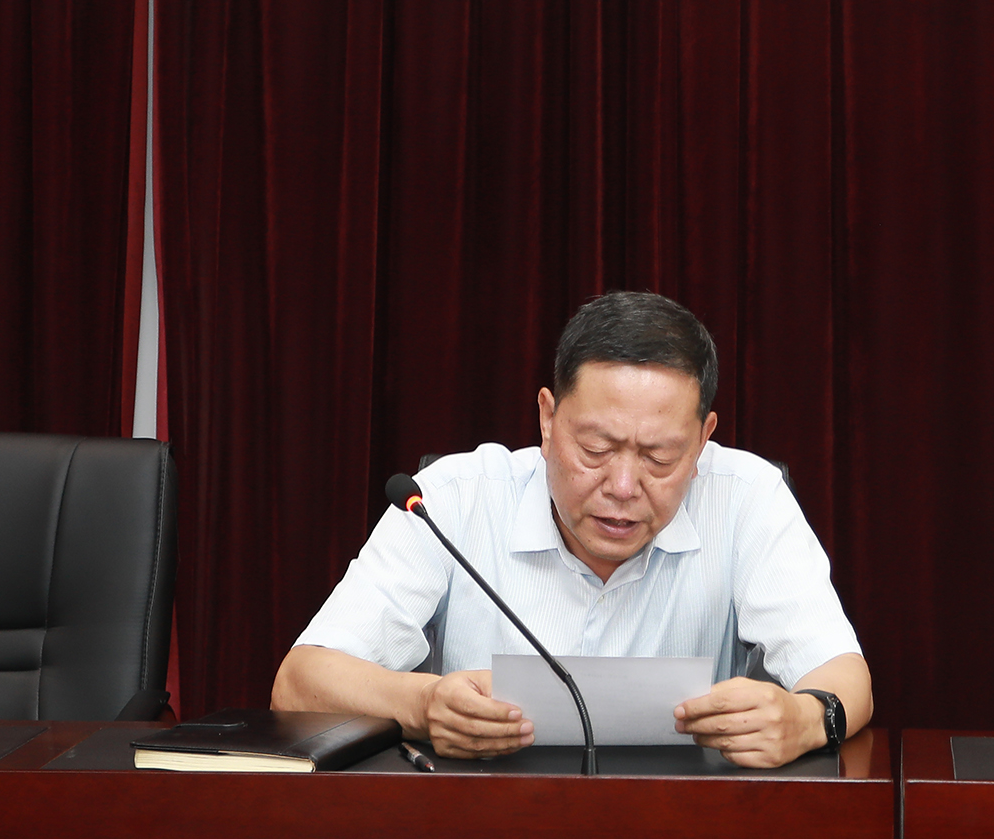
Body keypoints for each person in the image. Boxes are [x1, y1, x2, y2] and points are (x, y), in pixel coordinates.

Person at [274, 290, 871, 767]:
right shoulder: (453, 499)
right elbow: (300, 682)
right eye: (596, 449)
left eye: (660, 457)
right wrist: (423, 703)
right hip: (476, 835)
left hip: (687, 832)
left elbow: (845, 675)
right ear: (547, 418)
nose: (623, 486)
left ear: (703, 440)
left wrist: (806, 718)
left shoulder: (747, 497)